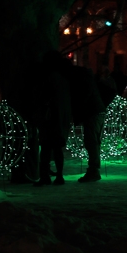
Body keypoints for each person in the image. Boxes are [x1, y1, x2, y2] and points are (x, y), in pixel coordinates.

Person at [46, 51, 106, 182]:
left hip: (92, 112)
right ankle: (93, 170)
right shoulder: (81, 74)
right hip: (95, 110)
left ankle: (94, 171)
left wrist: (78, 107)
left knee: (92, 142)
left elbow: (84, 94)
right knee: (92, 141)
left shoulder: (76, 77)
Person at [34, 55, 73, 186]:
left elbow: (43, 98)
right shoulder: (64, 80)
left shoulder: (50, 79)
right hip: (60, 119)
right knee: (57, 149)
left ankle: (45, 176)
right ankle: (59, 176)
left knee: (46, 148)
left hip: (50, 119)